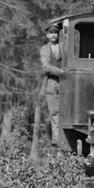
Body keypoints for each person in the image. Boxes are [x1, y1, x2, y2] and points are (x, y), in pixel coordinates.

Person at [39, 18, 63, 148]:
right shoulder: (44, 49)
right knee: (54, 112)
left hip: (65, 84)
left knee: (66, 111)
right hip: (51, 84)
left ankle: (64, 137)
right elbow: (46, 67)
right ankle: (56, 138)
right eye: (51, 33)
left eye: (56, 32)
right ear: (47, 35)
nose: (54, 35)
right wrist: (61, 71)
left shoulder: (64, 47)